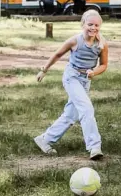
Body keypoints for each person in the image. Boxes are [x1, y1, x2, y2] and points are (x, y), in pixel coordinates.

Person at [34, 10, 108, 160]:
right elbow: (57, 54)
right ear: (83, 24)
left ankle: (45, 139)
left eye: (96, 25)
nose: (93, 28)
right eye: (90, 24)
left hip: (85, 80)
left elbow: (104, 65)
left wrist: (94, 72)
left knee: (71, 115)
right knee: (86, 108)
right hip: (71, 77)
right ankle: (94, 146)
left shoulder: (101, 44)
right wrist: (44, 70)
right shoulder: (75, 41)